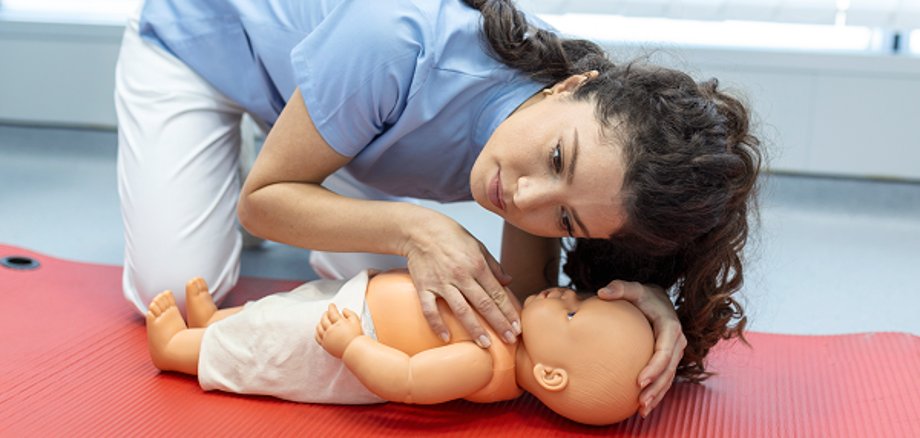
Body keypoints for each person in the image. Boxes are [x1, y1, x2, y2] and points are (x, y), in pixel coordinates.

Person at [116, 0, 762, 416]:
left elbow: (527, 304)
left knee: (417, 304)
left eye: (566, 221)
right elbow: (260, 206)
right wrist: (417, 224)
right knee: (167, 288)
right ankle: (291, 141)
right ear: (566, 88)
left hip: (356, 119)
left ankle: (308, 139)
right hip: (202, 42)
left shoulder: (570, 162)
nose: (526, 199)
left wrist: (638, 303)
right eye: (558, 158)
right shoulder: (395, 39)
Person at [145, 271, 654, 426]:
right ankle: (215, 321)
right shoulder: (513, 325)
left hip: (352, 337)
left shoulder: (482, 362)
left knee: (269, 343)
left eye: (572, 312)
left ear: (551, 375)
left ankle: (178, 349)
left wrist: (353, 346)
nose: (567, 293)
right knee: (278, 309)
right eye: (580, 297)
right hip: (357, 297)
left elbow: (407, 380)